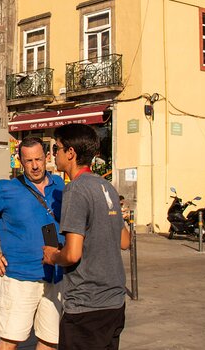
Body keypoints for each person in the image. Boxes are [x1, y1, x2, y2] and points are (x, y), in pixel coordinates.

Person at [0, 136, 65, 350]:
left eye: (39, 159)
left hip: (56, 275)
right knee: (11, 340)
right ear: (20, 161)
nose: (35, 166)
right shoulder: (6, 189)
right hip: (20, 277)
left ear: (47, 157)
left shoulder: (59, 184)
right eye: (29, 161)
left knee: (50, 340)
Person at [43, 124, 130, 350]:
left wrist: (53, 256)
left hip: (86, 305)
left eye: (56, 148)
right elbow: (124, 241)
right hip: (114, 301)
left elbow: (72, 254)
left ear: (70, 153)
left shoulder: (76, 189)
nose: (53, 154)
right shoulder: (106, 186)